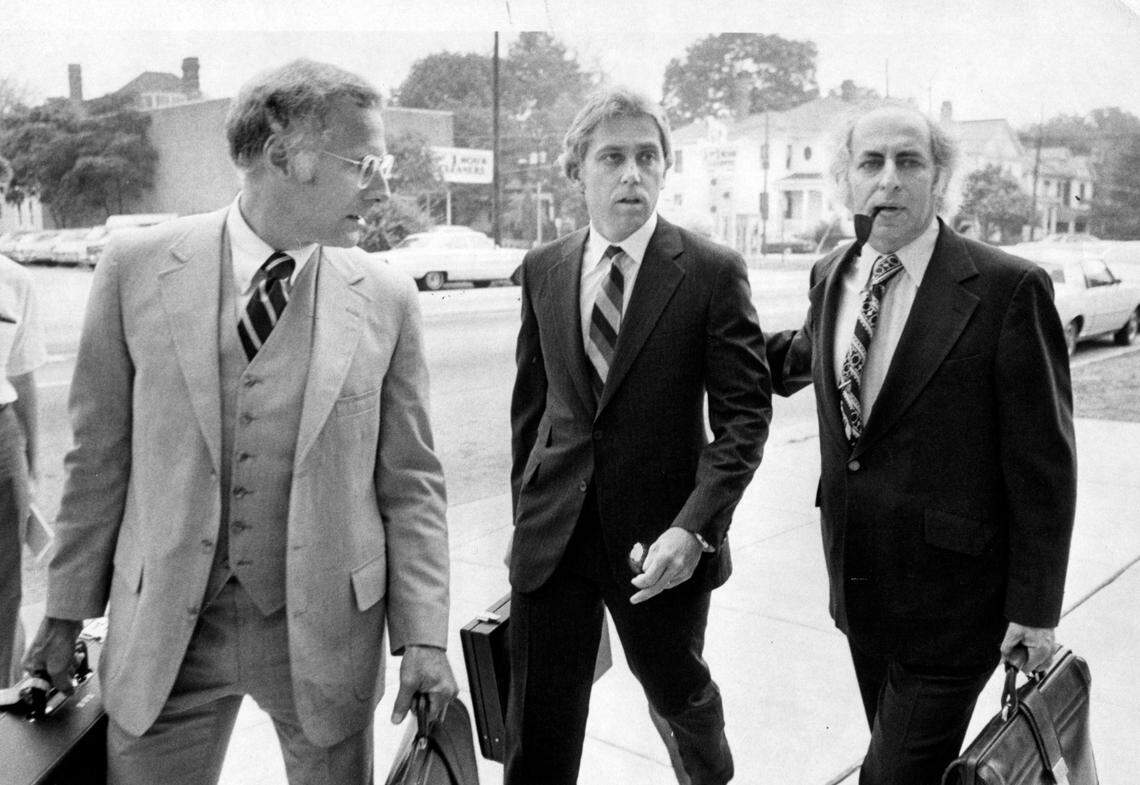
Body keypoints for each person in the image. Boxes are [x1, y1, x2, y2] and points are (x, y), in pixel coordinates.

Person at [22, 59, 456, 785]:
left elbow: (411, 484)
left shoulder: (386, 295)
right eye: (365, 164)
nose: (382, 188)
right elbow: (97, 460)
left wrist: (425, 637)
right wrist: (65, 611)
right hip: (164, 632)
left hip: (325, 633)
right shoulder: (134, 267)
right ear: (283, 155)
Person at [766, 104, 1077, 784]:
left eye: (909, 161)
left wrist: (1035, 609)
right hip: (859, 590)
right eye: (871, 162)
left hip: (954, 608)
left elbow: (1044, 466)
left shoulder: (1006, 288)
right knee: (905, 761)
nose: (889, 179)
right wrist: (700, 346)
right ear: (845, 181)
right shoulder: (832, 273)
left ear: (939, 178)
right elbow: (809, 356)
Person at [506, 87, 771, 785]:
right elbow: (530, 410)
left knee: (680, 700)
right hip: (554, 538)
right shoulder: (544, 267)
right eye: (612, 158)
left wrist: (695, 528)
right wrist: (524, 519)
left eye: (647, 157)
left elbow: (744, 419)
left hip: (662, 542)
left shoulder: (710, 271)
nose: (632, 174)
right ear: (577, 171)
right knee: (538, 728)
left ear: (664, 167)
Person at [1, 251, 45, 687]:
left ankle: (4, 691)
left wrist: (31, 463)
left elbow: (23, 376)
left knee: (4, 585)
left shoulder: (12, 279)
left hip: (1, 432)